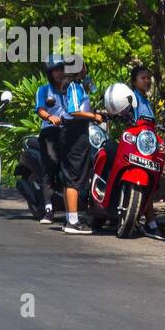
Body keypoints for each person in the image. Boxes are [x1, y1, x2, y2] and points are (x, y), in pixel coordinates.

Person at [58, 58, 105, 235]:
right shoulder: (73, 87)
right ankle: (73, 221)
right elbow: (74, 110)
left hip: (77, 131)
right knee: (73, 176)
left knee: (71, 175)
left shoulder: (79, 85)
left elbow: (91, 93)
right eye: (84, 65)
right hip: (74, 132)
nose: (86, 68)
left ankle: (70, 217)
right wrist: (94, 116)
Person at [33, 55, 71, 224]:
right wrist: (49, 117)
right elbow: (40, 109)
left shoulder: (71, 89)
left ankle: (74, 209)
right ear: (50, 73)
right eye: (55, 70)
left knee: (71, 168)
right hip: (50, 132)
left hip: (69, 132)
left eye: (61, 69)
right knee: (51, 165)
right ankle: (48, 209)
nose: (59, 73)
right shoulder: (43, 90)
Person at [129, 64, 164, 237]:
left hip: (148, 148)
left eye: (148, 77)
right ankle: (150, 223)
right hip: (135, 147)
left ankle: (150, 222)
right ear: (134, 81)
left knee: (150, 185)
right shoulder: (132, 99)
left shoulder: (147, 103)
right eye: (143, 78)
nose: (147, 81)